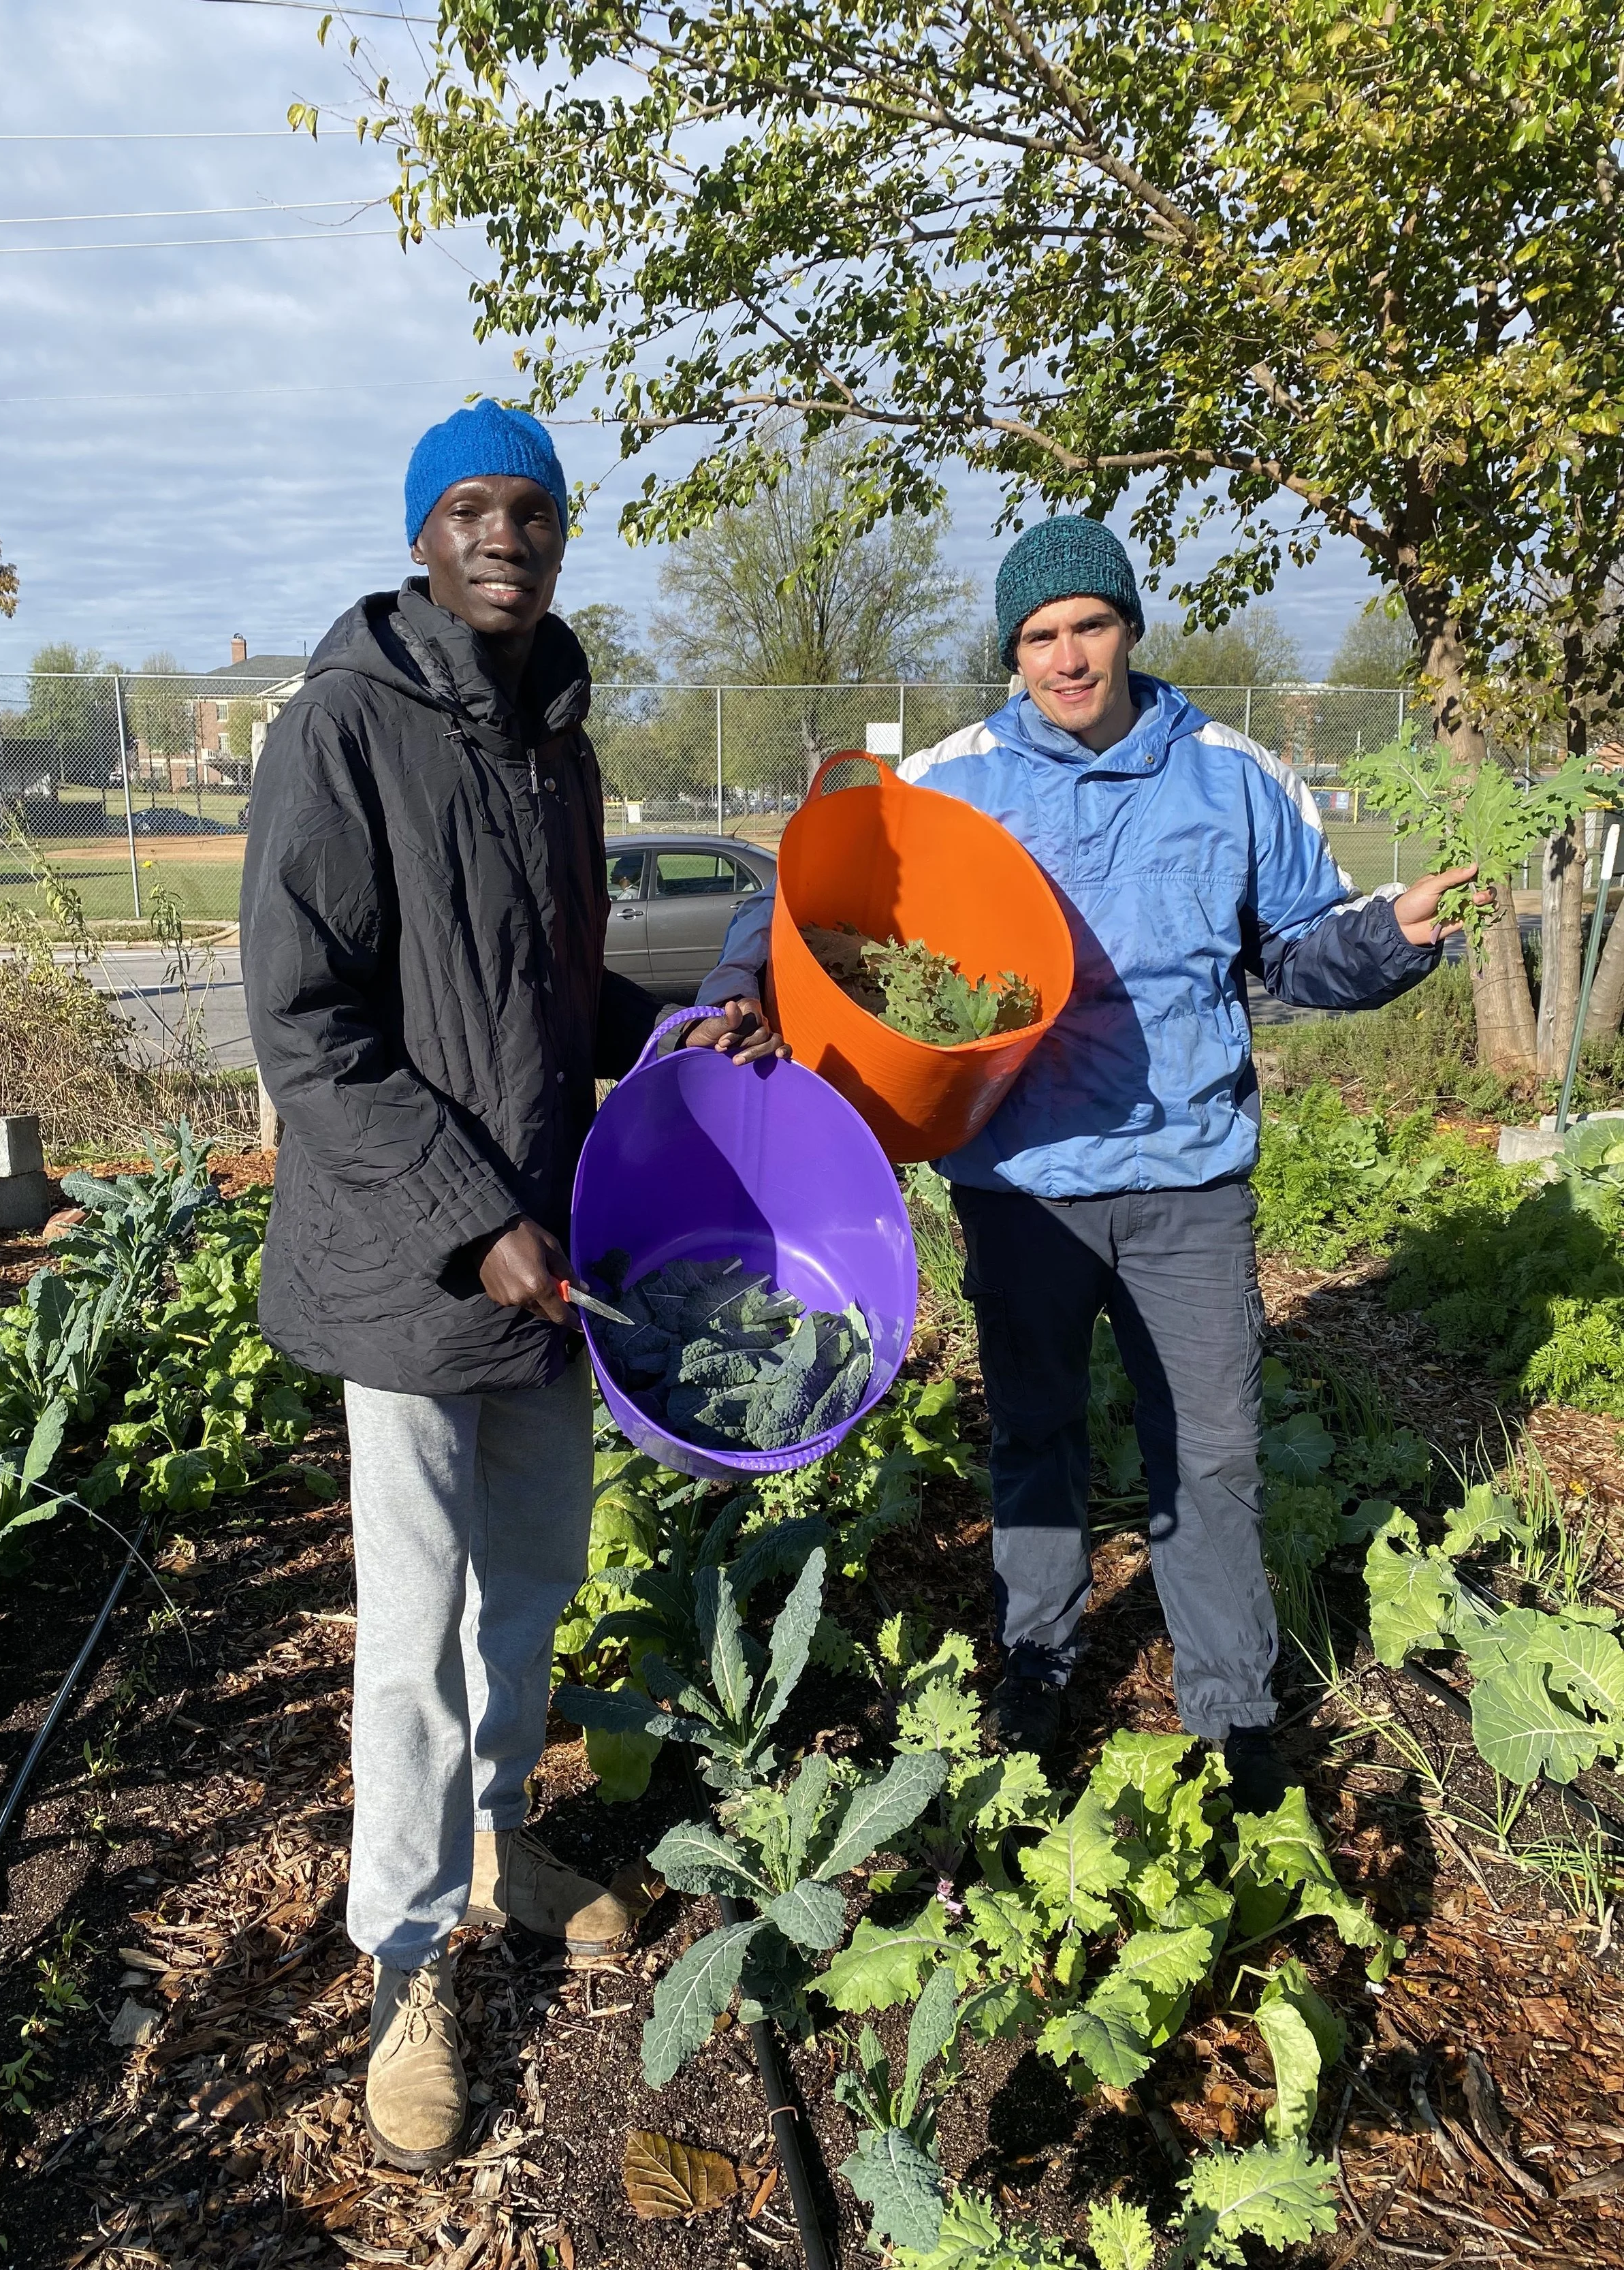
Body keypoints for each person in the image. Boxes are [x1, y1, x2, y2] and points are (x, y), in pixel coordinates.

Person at [691, 516, 1480, 1807]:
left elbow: (1296, 951)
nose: (1067, 658)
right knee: (1035, 1434)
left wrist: (1388, 936)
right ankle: (1038, 1664)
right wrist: (745, 984)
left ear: (1128, 628)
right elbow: (801, 902)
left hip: (1185, 1178)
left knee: (1212, 1449)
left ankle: (1233, 1711)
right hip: (1021, 1184)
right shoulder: (950, 780)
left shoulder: (1228, 773)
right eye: (1040, 637)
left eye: (1090, 627)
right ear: (1014, 653)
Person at [240, 402, 776, 2174]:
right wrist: (472, 1215)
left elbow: (550, 997)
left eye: (530, 510)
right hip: (412, 1265)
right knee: (407, 1638)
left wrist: (672, 1033)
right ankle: (406, 1964)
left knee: (535, 1582)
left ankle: (492, 1844)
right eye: (468, 508)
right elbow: (307, 1025)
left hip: (552, 1261)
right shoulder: (342, 726)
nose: (502, 535)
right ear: (420, 537)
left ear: (556, 537)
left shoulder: (558, 735)